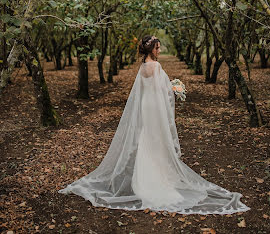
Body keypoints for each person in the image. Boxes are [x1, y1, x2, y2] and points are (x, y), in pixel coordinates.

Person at [59, 35, 250, 215]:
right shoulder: (156, 67)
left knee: (146, 138)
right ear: (152, 50)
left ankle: (141, 180)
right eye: (158, 48)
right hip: (155, 107)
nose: (159, 51)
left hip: (145, 106)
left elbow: (142, 92)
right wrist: (174, 88)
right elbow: (162, 90)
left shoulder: (143, 68)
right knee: (157, 139)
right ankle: (158, 180)